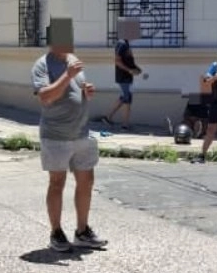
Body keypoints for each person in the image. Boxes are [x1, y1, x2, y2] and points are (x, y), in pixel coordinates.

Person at [32, 40, 110, 253]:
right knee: (57, 183)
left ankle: (82, 231)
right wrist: (68, 75)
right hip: (56, 135)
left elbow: (74, 90)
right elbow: (46, 97)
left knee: (86, 181)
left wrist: (86, 92)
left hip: (81, 133)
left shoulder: (73, 61)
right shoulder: (42, 65)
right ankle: (56, 233)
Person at [102, 35, 143, 130]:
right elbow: (117, 61)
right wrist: (129, 70)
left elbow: (128, 61)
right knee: (127, 99)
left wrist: (136, 68)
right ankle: (125, 125)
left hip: (127, 77)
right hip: (123, 77)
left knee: (123, 98)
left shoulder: (126, 44)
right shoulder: (122, 43)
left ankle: (107, 117)